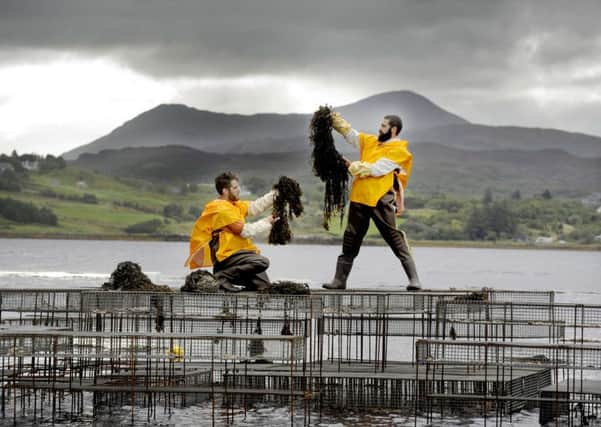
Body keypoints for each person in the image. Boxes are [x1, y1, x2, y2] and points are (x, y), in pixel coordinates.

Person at [322, 112, 422, 291]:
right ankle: (339, 281)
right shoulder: (370, 141)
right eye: (380, 124)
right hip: (359, 197)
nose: (379, 128)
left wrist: (350, 165)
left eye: (383, 126)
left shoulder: (399, 151)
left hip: (380, 199)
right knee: (351, 238)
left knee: (394, 238)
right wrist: (332, 119)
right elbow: (350, 134)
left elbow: (376, 170)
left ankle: (414, 280)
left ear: (394, 130)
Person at [185, 172, 277, 292]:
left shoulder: (234, 205)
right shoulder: (221, 209)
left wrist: (275, 194)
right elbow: (245, 231)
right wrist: (268, 221)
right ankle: (222, 277)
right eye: (235, 188)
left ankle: (230, 281)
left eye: (238, 187)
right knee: (262, 262)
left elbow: (254, 207)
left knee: (264, 287)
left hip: (239, 256)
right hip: (226, 256)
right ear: (225, 191)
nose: (239, 190)